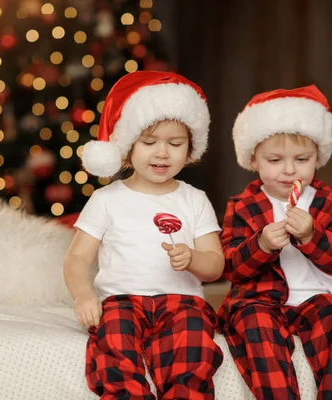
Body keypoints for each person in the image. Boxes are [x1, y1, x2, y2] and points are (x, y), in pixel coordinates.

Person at [63, 71, 224, 399]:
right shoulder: (107, 200)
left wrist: (193, 259)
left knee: (194, 350)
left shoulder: (193, 199)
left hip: (183, 304)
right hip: (121, 301)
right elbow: (78, 256)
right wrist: (82, 295)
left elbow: (215, 266)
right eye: (149, 142)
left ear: (190, 149)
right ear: (126, 146)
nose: (162, 153)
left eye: (175, 144)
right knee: (114, 348)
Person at [219, 85, 332, 399]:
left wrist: (312, 236)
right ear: (254, 160)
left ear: (318, 158)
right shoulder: (242, 206)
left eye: (302, 159)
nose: (289, 170)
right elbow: (230, 266)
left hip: (317, 298)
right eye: (275, 160)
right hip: (260, 299)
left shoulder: (330, 203)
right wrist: (262, 246)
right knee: (254, 322)